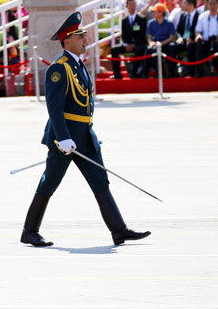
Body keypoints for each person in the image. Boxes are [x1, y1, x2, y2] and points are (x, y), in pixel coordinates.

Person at [20, 12, 150, 247]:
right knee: (49, 182)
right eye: (80, 36)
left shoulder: (79, 66)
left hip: (85, 135)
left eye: (85, 36)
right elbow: (55, 109)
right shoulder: (59, 69)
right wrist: (64, 138)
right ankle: (29, 231)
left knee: (100, 181)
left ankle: (119, 230)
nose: (85, 40)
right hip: (65, 138)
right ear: (67, 41)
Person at [110, 0, 148, 79]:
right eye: (130, 5)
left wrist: (134, 45)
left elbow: (142, 35)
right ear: (126, 6)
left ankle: (133, 72)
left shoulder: (141, 19)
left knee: (140, 49)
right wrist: (126, 44)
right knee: (114, 49)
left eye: (134, 4)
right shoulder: (124, 20)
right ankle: (117, 74)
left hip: (139, 45)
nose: (132, 6)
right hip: (128, 45)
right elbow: (124, 35)